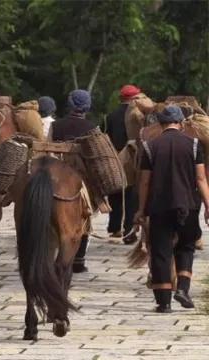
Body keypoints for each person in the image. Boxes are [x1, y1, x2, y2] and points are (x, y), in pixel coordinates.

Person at [135, 105, 209, 313]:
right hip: (188, 205)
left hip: (159, 207)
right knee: (186, 246)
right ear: (181, 123)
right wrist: (208, 205)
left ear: (160, 124)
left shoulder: (151, 146)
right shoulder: (194, 145)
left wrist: (141, 209)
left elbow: (144, 183)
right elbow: (201, 178)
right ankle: (183, 290)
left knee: (161, 252)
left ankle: (164, 302)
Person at [49, 89, 97, 273]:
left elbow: (48, 150)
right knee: (86, 213)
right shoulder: (92, 127)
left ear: (69, 104)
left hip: (55, 172)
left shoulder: (56, 125)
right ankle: (79, 259)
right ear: (87, 106)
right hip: (80, 176)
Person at [105, 85, 141, 243]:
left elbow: (107, 137)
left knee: (115, 193)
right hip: (134, 158)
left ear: (121, 98)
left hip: (116, 157)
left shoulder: (110, 116)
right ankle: (129, 229)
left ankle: (115, 228)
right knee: (132, 195)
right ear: (135, 98)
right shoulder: (139, 114)